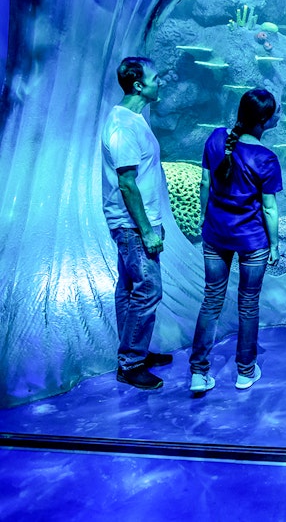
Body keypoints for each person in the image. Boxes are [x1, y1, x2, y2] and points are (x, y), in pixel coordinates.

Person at [188, 89, 282, 392]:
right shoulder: (266, 158)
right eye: (275, 112)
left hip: (215, 235)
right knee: (248, 304)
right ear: (264, 120)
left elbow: (205, 183)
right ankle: (245, 371)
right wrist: (276, 245)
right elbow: (268, 207)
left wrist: (205, 219)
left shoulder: (216, 139)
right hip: (252, 240)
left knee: (211, 299)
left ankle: (198, 372)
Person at [100, 56, 173, 390]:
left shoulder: (132, 119)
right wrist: (146, 229)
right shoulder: (123, 126)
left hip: (138, 222)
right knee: (148, 290)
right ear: (138, 85)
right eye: (155, 78)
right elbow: (126, 183)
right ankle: (131, 363)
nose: (161, 82)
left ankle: (135, 351)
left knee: (129, 288)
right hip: (132, 225)